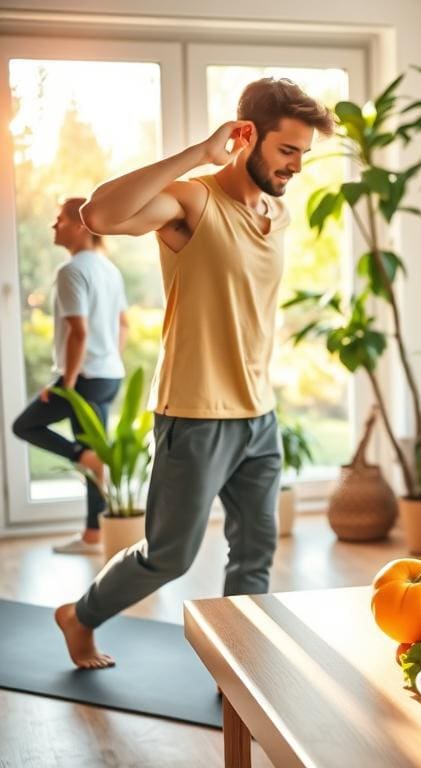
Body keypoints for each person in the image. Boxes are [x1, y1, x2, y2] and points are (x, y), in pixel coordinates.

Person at [54, 78, 334, 669]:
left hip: (259, 413)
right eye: (288, 151)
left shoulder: (276, 213)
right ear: (247, 136)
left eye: (304, 155)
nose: (297, 167)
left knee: (255, 551)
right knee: (168, 556)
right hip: (195, 413)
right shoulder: (192, 202)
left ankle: (237, 670)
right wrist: (200, 154)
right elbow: (99, 213)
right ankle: (79, 616)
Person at [12, 198, 127, 554]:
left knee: (25, 426)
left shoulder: (72, 271)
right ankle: (93, 534)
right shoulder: (109, 269)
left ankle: (84, 468)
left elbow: (78, 332)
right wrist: (109, 359)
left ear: (80, 225)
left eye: (59, 219)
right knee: (92, 450)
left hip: (85, 377)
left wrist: (68, 382)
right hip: (108, 374)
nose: (53, 226)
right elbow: (124, 325)